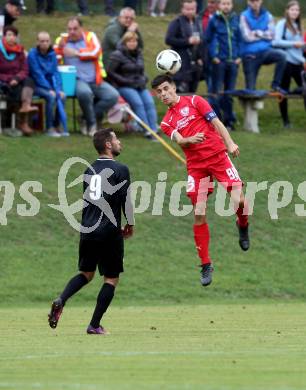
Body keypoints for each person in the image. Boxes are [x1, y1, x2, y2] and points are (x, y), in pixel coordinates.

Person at [152, 74, 250, 287]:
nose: (163, 94)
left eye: (166, 89)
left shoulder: (196, 101)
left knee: (240, 201)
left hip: (218, 157)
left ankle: (242, 225)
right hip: (196, 167)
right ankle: (205, 264)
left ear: (174, 88)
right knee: (199, 213)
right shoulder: (166, 122)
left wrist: (231, 143)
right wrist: (188, 139)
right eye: (159, 92)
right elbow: (179, 140)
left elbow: (217, 122)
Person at [48, 127, 135, 335]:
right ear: (108, 145)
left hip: (87, 230)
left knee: (86, 273)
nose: (119, 143)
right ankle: (94, 325)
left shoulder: (88, 170)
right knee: (111, 278)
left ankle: (62, 299)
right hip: (109, 231)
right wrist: (130, 224)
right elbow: (125, 201)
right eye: (116, 139)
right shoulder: (121, 169)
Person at [54, 17, 119, 136]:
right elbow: (54, 56)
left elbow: (95, 52)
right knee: (85, 93)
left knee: (112, 96)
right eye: (69, 29)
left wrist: (76, 53)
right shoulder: (62, 40)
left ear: (81, 29)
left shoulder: (90, 36)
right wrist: (59, 48)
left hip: (95, 79)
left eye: (75, 29)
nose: (72, 31)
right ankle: (92, 125)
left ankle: (84, 117)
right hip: (76, 79)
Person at [107, 31, 158, 139]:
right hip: (124, 86)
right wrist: (124, 81)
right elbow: (110, 72)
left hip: (139, 85)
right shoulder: (117, 55)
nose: (133, 43)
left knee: (149, 102)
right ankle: (147, 130)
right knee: (138, 104)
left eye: (134, 41)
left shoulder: (138, 53)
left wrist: (144, 78)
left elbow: (141, 70)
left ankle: (154, 129)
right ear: (125, 42)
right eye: (130, 41)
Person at [206, 0, 242, 130]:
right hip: (219, 62)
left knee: (229, 93)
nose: (226, 6)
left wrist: (239, 56)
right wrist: (214, 56)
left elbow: (239, 39)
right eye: (223, 3)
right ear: (219, 6)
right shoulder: (214, 20)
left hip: (233, 62)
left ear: (232, 5)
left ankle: (229, 122)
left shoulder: (235, 20)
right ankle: (217, 122)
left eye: (228, 3)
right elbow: (208, 40)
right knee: (216, 93)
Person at [240, 0, 287, 92]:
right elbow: (247, 37)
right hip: (250, 55)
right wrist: (264, 35)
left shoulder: (268, 15)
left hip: (266, 51)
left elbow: (272, 35)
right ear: (248, 2)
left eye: (257, 0)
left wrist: (257, 33)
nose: (255, 3)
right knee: (250, 90)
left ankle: (275, 84)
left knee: (282, 55)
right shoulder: (243, 16)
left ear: (261, 1)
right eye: (252, 1)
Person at [272, 0, 306, 128]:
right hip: (286, 63)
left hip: (298, 64)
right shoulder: (282, 24)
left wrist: (303, 53)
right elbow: (275, 42)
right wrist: (294, 44)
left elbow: (299, 48)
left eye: (297, 10)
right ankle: (286, 122)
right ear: (287, 11)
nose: (295, 12)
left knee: (304, 90)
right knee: (283, 92)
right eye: (292, 9)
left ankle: (295, 91)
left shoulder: (298, 26)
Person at [0, 25, 37, 136]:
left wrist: (16, 78)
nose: (12, 38)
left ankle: (26, 105)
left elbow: (25, 69)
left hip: (17, 79)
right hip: (4, 81)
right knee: (18, 89)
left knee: (29, 80)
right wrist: (9, 79)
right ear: (4, 36)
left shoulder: (20, 51)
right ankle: (22, 123)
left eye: (14, 35)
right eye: (9, 35)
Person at [28, 32, 66, 137]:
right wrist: (50, 89)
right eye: (42, 41)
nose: (45, 43)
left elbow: (56, 73)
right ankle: (49, 128)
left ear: (50, 42)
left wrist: (59, 89)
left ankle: (57, 125)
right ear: (37, 42)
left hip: (50, 85)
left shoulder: (52, 54)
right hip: (35, 85)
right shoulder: (32, 54)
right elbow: (37, 74)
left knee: (62, 96)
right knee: (51, 96)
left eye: (47, 41)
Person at [165, 0, 203, 93]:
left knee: (192, 95)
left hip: (194, 66)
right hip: (181, 66)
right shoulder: (176, 22)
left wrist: (200, 57)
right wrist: (187, 41)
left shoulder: (197, 21)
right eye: (187, 9)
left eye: (192, 9)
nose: (190, 11)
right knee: (181, 96)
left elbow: (201, 40)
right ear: (182, 9)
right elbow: (168, 40)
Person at [200, 0, 218, 90]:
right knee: (210, 83)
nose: (210, 5)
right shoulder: (201, 16)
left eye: (213, 2)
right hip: (205, 54)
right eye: (209, 2)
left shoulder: (221, 17)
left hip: (219, 54)